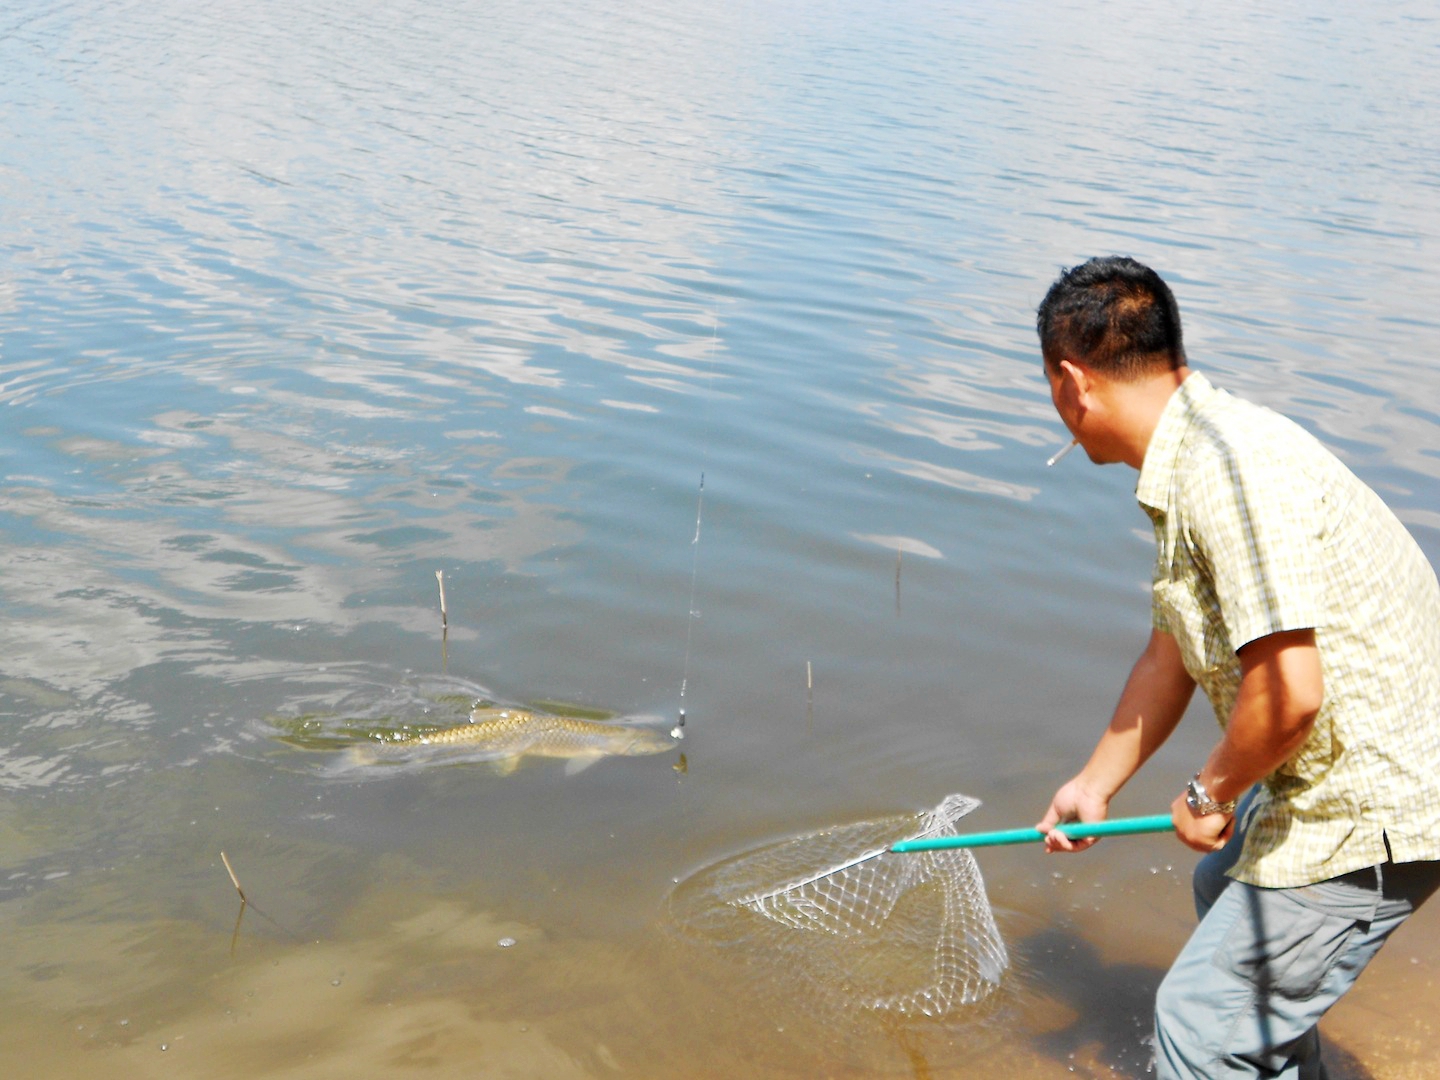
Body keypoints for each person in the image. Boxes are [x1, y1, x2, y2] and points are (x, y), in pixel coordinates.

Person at [1031, 256, 1440, 1080]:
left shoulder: (1227, 474)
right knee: (1222, 885)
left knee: (1197, 1029)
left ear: (1073, 382)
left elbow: (1289, 696)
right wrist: (1094, 783)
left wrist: (1204, 793)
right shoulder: (1196, 450)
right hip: (1330, 773)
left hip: (1380, 797)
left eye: (1048, 387)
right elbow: (1173, 648)